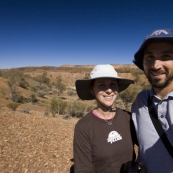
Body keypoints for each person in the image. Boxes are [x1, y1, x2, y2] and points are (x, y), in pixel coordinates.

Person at [73, 64, 137, 173]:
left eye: (113, 84)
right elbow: (83, 169)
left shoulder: (128, 118)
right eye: (101, 85)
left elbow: (148, 147)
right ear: (92, 90)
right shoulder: (84, 126)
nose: (109, 90)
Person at [132, 28, 173, 173]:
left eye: (166, 56)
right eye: (150, 57)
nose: (156, 65)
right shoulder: (140, 101)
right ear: (143, 63)